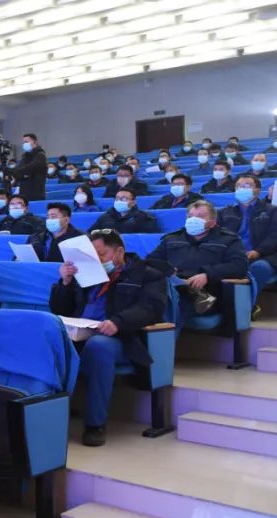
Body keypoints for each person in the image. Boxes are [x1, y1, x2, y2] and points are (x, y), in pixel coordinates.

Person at [50, 230, 168, 447]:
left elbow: (151, 308)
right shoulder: (85, 274)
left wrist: (118, 322)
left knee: (98, 346)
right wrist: (65, 282)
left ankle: (95, 424)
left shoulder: (147, 274)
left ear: (119, 252)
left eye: (101, 255)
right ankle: (47, 414)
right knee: (46, 339)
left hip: (121, 339)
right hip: (81, 333)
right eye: (92, 256)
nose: (96, 260)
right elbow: (59, 309)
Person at [148, 201, 249, 318]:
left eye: (200, 216)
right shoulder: (171, 239)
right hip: (172, 287)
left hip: (206, 293)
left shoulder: (229, 240)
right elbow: (151, 261)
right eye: (190, 216)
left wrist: (207, 275)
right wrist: (168, 270)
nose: (193, 220)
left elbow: (239, 266)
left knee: (166, 305)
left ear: (212, 223)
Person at [217, 175, 277, 290]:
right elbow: (217, 235)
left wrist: (258, 251)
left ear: (258, 190)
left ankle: (247, 298)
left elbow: (274, 236)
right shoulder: (224, 212)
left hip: (264, 255)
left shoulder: (272, 211)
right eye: (238, 186)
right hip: (232, 255)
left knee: (260, 267)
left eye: (247, 186)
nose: (242, 189)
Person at [93, 190, 159, 233]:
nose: (119, 201)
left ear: (133, 202)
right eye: (117, 198)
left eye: (124, 199)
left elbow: (147, 239)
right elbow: (91, 233)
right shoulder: (105, 216)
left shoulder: (145, 218)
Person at [12, 133, 47, 201]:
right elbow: (16, 172)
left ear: (35, 142)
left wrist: (23, 172)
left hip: (36, 193)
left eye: (26, 142)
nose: (24, 144)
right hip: (23, 193)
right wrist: (24, 173)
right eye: (24, 142)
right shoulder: (24, 156)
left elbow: (32, 167)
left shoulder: (41, 155)